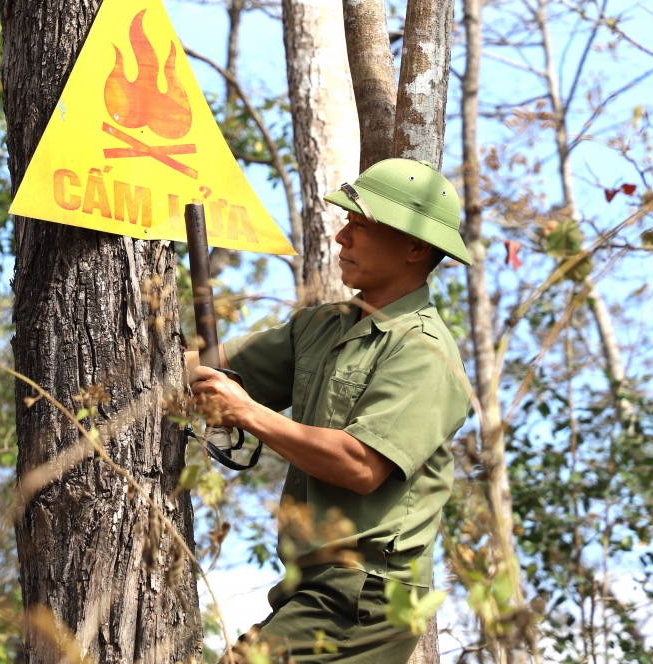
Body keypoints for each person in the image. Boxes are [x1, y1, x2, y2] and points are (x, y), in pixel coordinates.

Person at [187, 158, 473, 664]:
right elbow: (208, 368)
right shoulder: (320, 327)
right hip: (313, 585)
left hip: (367, 597)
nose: (343, 238)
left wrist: (248, 413)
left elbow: (360, 465)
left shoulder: (425, 353)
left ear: (415, 248)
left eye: (361, 226)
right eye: (348, 223)